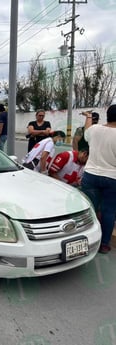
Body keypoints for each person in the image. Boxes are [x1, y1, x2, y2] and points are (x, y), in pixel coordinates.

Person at [81, 106, 116, 254]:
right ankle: (104, 244)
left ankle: (86, 242)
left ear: (107, 116)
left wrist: (88, 116)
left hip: (90, 175)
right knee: (109, 212)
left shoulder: (94, 130)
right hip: (112, 177)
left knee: (89, 210)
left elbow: (86, 130)